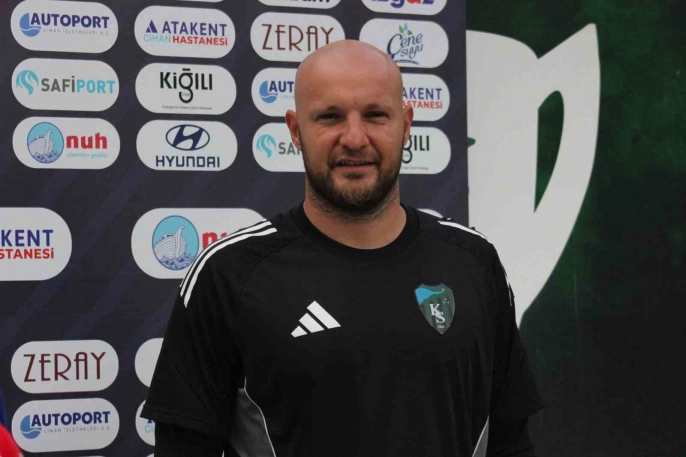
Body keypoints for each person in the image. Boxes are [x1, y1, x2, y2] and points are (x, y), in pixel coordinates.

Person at [142, 40, 545, 457]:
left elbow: (511, 442)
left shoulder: (474, 263)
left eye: (375, 115)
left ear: (406, 124)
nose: (354, 138)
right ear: (295, 131)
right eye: (330, 117)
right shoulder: (229, 274)